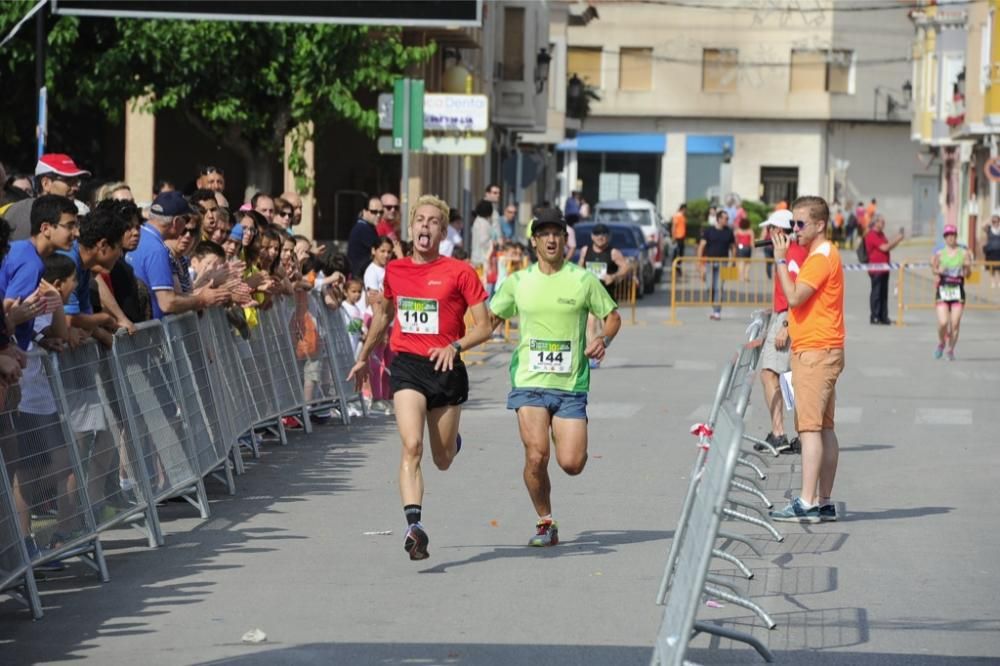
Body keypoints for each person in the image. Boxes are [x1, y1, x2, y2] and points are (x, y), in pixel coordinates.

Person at [347, 195, 493, 561]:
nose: (425, 226)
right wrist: (363, 356)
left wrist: (455, 347)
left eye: (433, 222)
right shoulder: (395, 270)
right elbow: (383, 317)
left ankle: (451, 441)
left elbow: (486, 326)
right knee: (412, 446)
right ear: (410, 228)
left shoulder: (460, 271)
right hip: (408, 366)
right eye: (420, 220)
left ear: (442, 232)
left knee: (442, 458)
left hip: (446, 368)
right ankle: (414, 526)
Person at [489, 208, 620, 547]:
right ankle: (545, 521)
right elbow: (488, 320)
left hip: (569, 386)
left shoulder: (582, 280)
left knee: (572, 463)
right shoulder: (518, 281)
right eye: (543, 233)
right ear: (534, 241)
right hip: (529, 383)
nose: (550, 239)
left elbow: (612, 316)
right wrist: (454, 343)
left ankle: (573, 442)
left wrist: (601, 338)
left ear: (564, 240)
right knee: (536, 456)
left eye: (556, 234)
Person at [769, 196, 845, 524]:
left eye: (800, 224)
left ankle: (807, 500)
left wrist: (781, 261)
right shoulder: (825, 253)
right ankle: (824, 500)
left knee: (810, 429)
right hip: (824, 347)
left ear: (819, 225)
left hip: (815, 350)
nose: (794, 230)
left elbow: (796, 296)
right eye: (793, 224)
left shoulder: (819, 256)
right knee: (824, 427)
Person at [754, 210, 807, 455]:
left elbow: (795, 293)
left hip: (787, 317)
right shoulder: (786, 254)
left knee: (769, 373)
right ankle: (793, 433)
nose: (767, 234)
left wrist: (785, 324)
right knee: (784, 377)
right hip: (782, 314)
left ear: (778, 231)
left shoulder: (791, 255)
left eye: (770, 229)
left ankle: (780, 433)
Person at [127, 191, 228, 319]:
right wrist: (202, 299)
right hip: (151, 334)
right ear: (176, 221)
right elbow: (167, 303)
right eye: (185, 220)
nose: (187, 232)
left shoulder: (139, 235)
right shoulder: (157, 249)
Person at [577, 223, 629, 368]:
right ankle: (593, 356)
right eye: (597, 234)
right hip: (589, 294)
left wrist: (614, 276)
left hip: (606, 295)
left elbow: (625, 267)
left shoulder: (613, 252)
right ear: (592, 236)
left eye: (603, 235)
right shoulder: (585, 250)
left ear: (608, 237)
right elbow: (580, 266)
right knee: (591, 323)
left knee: (606, 325)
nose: (600, 237)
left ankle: (599, 347)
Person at [6, 153, 90, 242]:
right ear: (46, 183)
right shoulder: (22, 215)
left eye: (77, 181)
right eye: (68, 180)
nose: (76, 187)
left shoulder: (77, 213)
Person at [932, 224, 972, 360]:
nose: (951, 237)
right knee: (943, 323)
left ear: (956, 236)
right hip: (943, 290)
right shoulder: (939, 253)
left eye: (953, 235)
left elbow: (969, 274)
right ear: (944, 237)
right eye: (948, 235)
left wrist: (966, 270)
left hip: (958, 291)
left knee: (955, 323)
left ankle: (951, 349)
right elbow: (934, 270)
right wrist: (938, 270)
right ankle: (942, 343)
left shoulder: (964, 252)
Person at [864, 214, 903, 325]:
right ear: (875, 222)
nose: (883, 224)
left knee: (883, 293)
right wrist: (898, 239)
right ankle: (875, 316)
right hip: (876, 269)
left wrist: (897, 240)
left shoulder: (881, 234)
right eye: (881, 222)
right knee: (876, 293)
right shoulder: (872, 235)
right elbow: (885, 247)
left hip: (885, 268)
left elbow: (888, 246)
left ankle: (883, 316)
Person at [698, 210, 735, 320]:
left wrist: (733, 261)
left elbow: (733, 247)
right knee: (710, 287)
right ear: (718, 219)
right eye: (725, 218)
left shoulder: (729, 232)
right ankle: (713, 304)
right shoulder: (709, 231)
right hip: (710, 262)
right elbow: (701, 246)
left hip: (723, 263)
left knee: (719, 287)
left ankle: (717, 311)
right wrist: (699, 262)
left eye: (727, 219)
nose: (727, 220)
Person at [347, 197, 382, 279]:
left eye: (381, 212)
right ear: (364, 211)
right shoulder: (362, 228)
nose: (378, 215)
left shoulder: (369, 227)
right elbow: (380, 250)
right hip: (360, 278)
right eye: (374, 212)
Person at [735, 215, 754, 282]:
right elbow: (752, 242)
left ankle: (741, 277)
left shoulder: (738, 231)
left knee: (741, 262)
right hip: (747, 247)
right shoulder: (750, 231)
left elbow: (736, 240)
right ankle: (746, 276)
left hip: (740, 247)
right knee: (748, 262)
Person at [983, 215, 1000, 288]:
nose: (995, 223)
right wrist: (989, 220)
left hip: (999, 251)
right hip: (990, 252)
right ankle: (992, 282)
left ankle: (999, 282)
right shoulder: (989, 229)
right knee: (991, 268)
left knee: (999, 268)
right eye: (993, 221)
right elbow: (982, 226)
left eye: (996, 221)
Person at [671, 203, 687, 276]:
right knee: (677, 254)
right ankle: (676, 269)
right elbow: (674, 226)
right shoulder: (677, 216)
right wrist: (673, 237)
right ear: (683, 209)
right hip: (678, 237)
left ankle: (678, 269)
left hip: (682, 237)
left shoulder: (682, 216)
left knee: (680, 254)